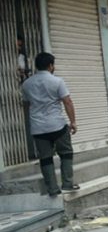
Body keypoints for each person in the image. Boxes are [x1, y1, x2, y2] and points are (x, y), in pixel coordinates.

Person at [20, 52, 78, 196]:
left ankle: (52, 189)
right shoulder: (57, 81)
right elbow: (67, 101)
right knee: (66, 153)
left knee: (45, 158)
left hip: (38, 128)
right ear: (51, 65)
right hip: (57, 124)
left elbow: (26, 104)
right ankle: (67, 184)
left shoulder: (27, 83)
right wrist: (73, 122)